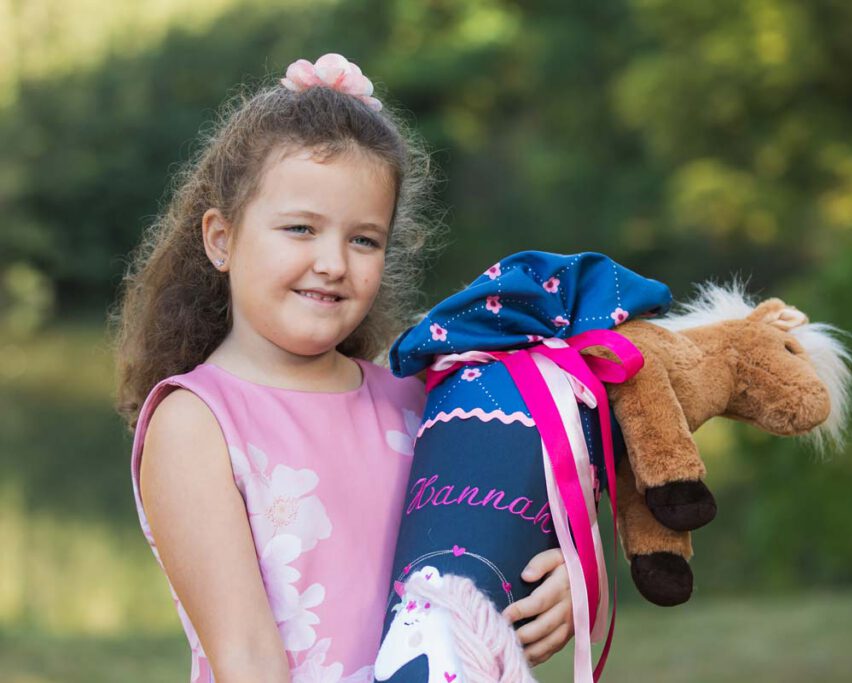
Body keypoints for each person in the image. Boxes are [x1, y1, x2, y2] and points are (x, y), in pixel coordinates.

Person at [111, 53, 572, 682]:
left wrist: (558, 580)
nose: (333, 262)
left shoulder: (421, 401)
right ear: (221, 239)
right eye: (301, 228)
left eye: (363, 239)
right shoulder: (196, 423)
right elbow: (247, 659)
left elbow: (476, 557)